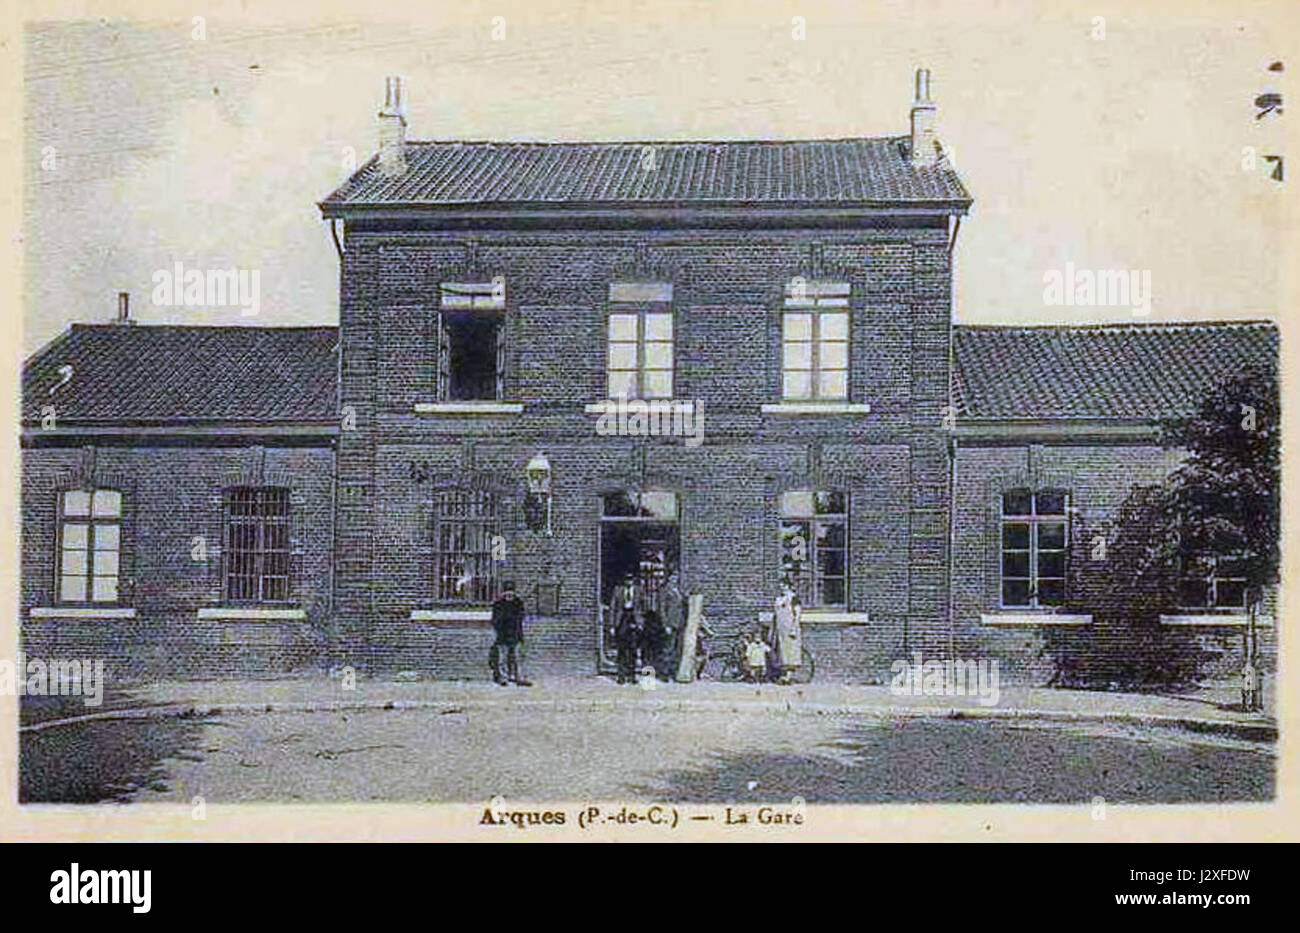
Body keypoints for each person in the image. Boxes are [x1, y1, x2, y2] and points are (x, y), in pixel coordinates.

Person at [489, 581, 530, 686]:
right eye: (507, 592)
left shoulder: (518, 603)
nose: (509, 595)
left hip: (516, 634)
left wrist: (520, 633)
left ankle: (520, 677)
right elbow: (495, 620)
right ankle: (503, 678)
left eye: (511, 592)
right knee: (502, 658)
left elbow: (521, 619)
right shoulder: (498, 604)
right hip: (502, 634)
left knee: (518, 657)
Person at [610, 575, 643, 685]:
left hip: (633, 619)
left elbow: (643, 606)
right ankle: (621, 676)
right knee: (622, 650)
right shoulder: (618, 590)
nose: (628, 581)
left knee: (633, 650)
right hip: (622, 619)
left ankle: (632, 675)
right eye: (626, 579)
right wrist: (612, 625)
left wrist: (641, 622)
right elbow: (613, 607)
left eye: (630, 579)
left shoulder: (639, 590)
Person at [770, 577, 803, 684]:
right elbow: (776, 615)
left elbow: (797, 614)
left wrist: (794, 628)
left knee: (791, 651)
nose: (782, 588)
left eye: (784, 586)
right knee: (782, 652)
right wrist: (773, 629)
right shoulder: (779, 599)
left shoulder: (793, 598)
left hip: (790, 629)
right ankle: (784, 674)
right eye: (781, 586)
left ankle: (789, 675)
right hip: (781, 629)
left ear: (788, 586)